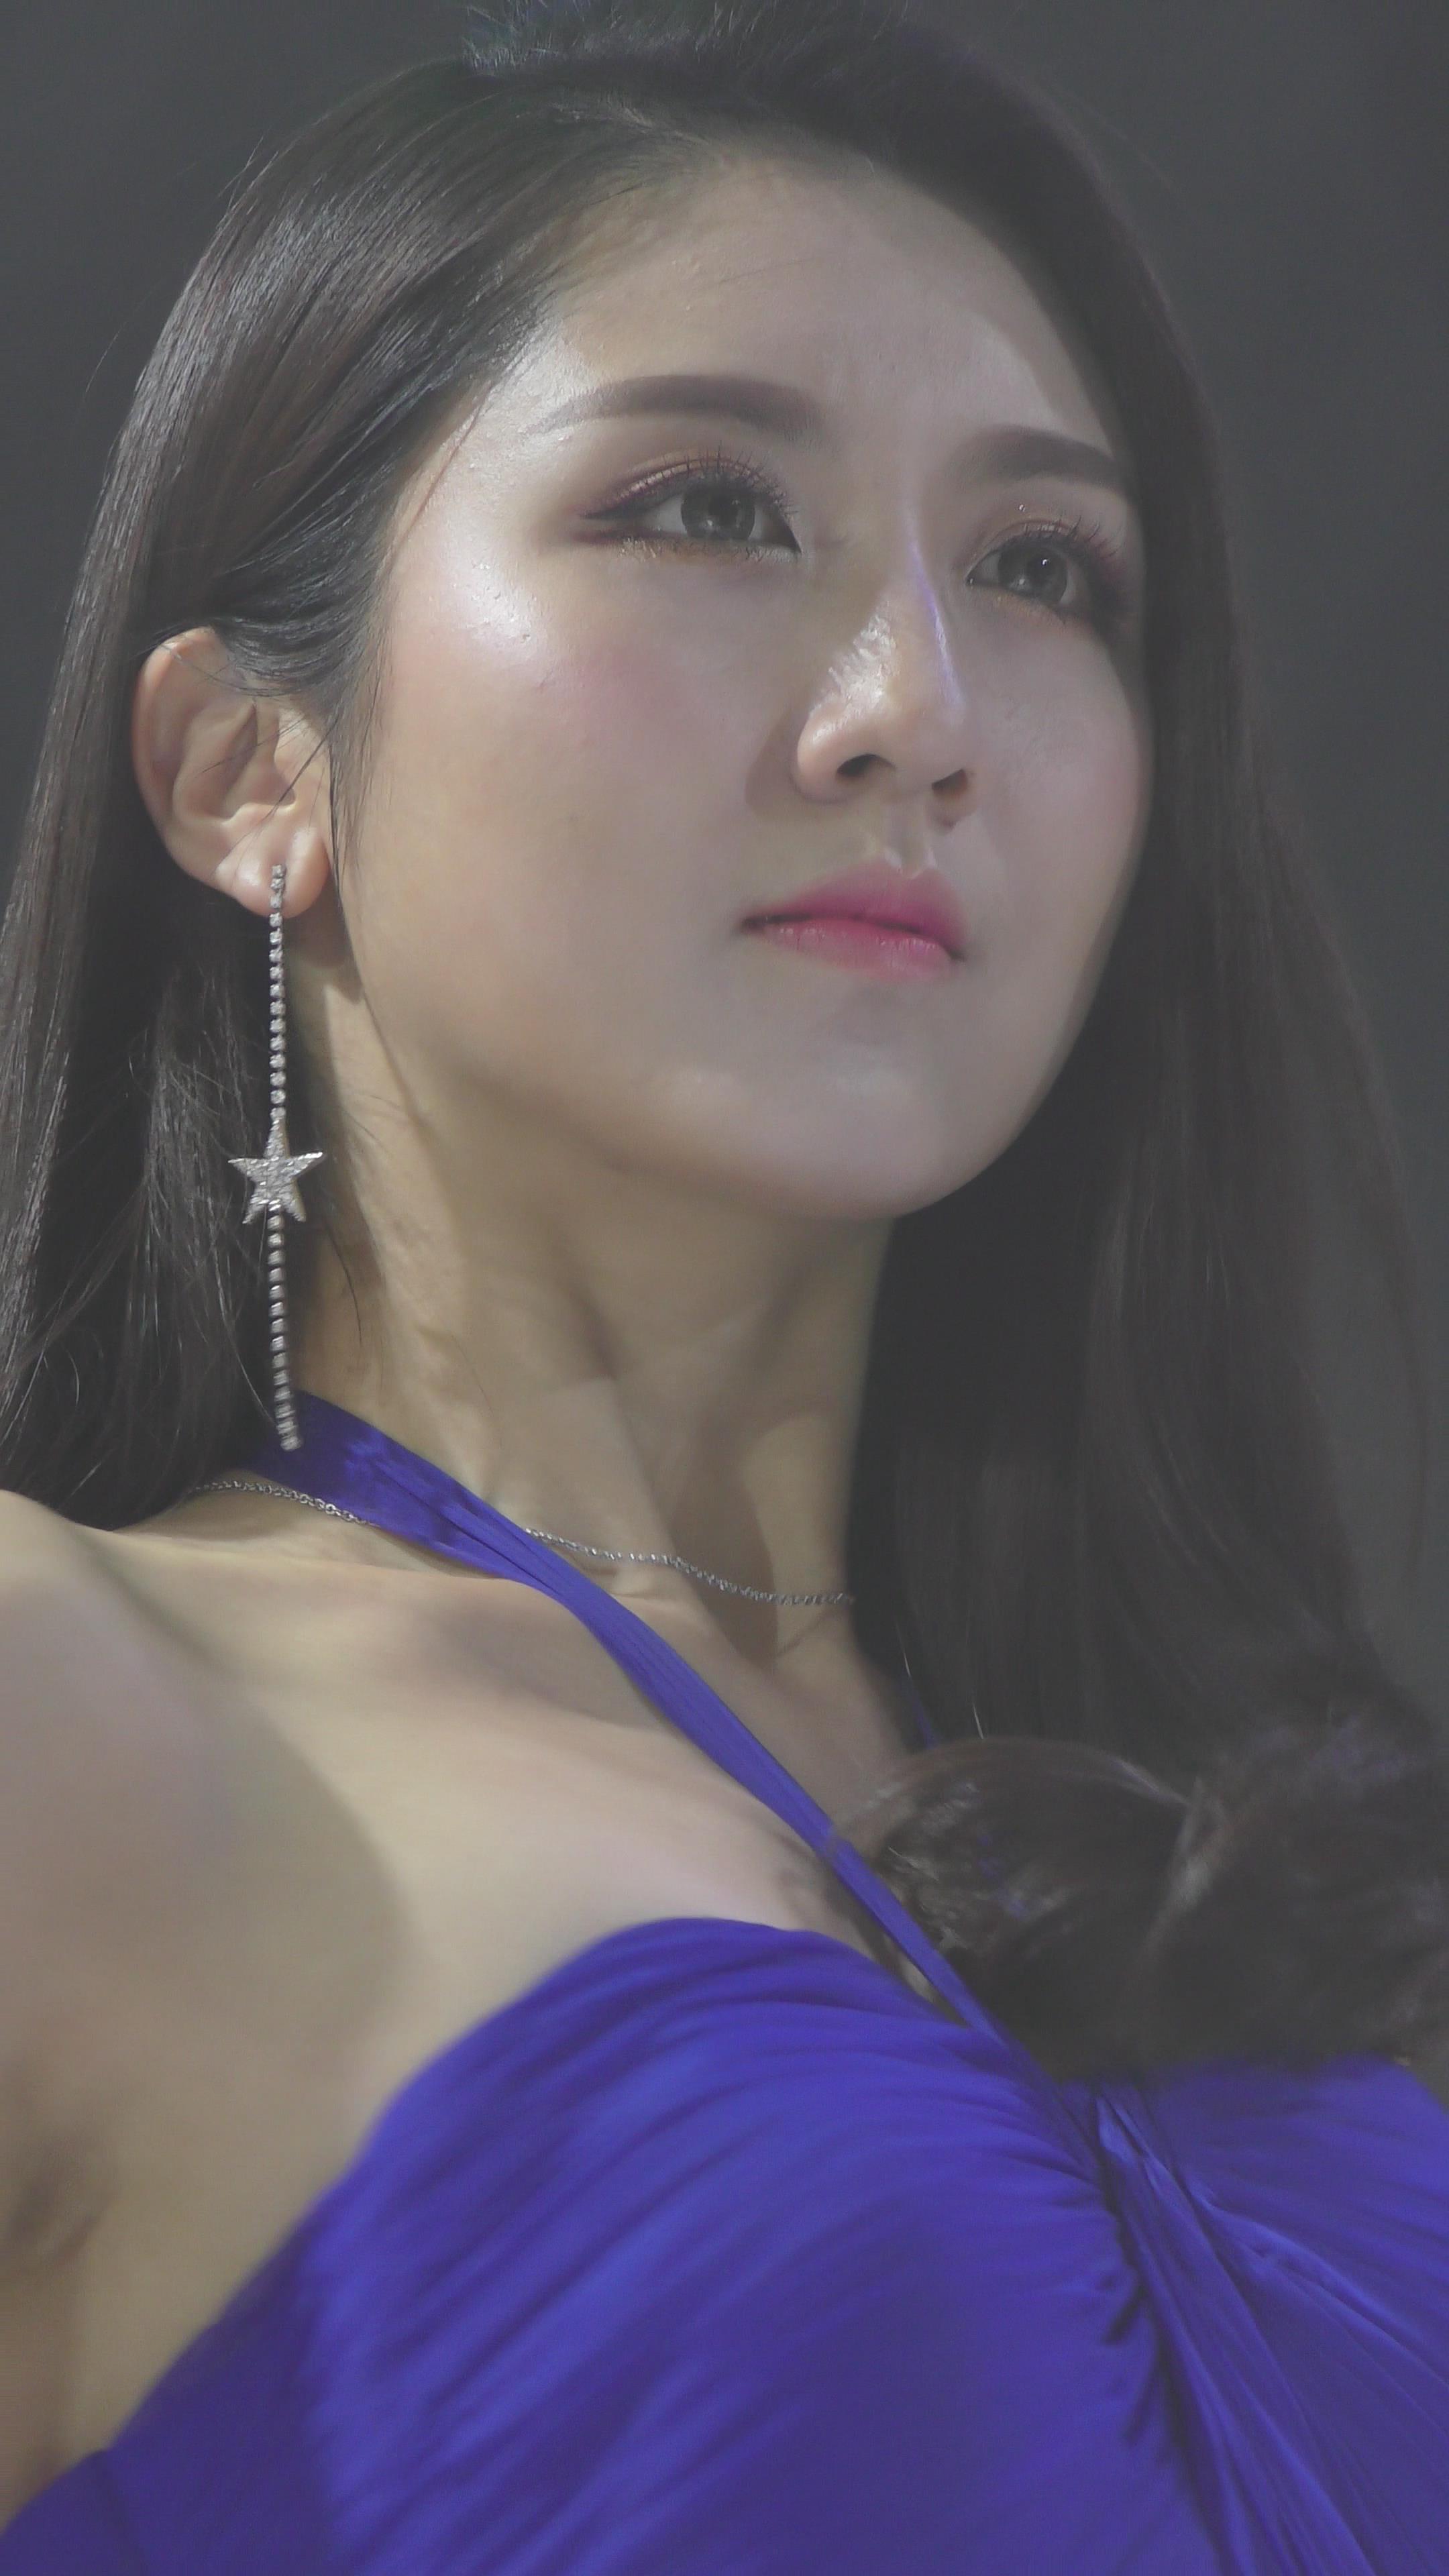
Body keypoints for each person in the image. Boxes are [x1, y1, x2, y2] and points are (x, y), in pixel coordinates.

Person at [1, 0, 1446, 2565]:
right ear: (252, 770)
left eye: (1042, 569)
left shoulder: (1297, 1869)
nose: (918, 711)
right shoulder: (75, 1725)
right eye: (705, 508)